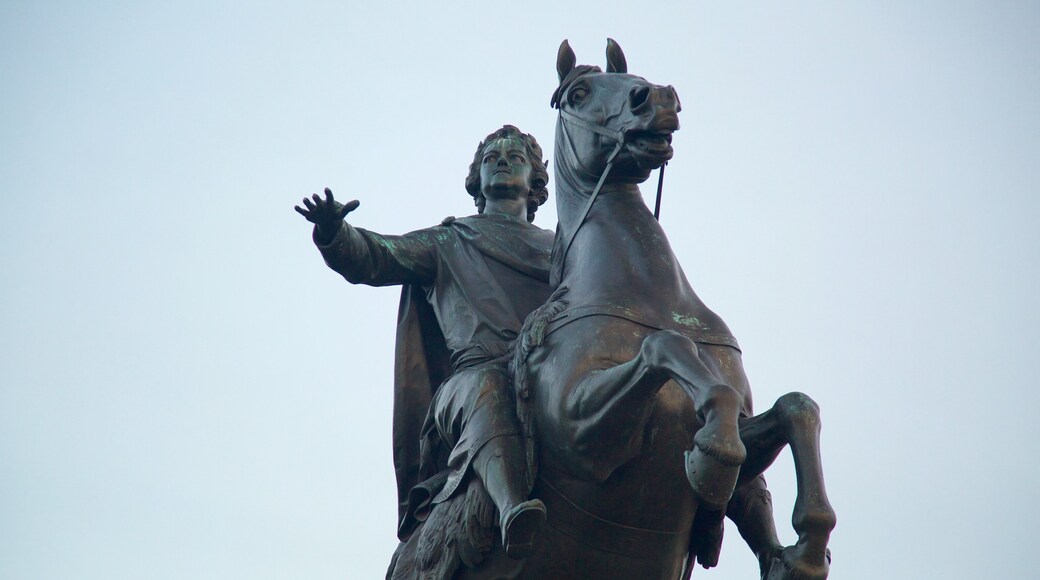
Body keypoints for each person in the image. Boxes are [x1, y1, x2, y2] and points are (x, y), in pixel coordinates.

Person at [295, 126, 554, 559]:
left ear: (535, 181)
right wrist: (335, 231)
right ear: (476, 180)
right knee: (488, 388)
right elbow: (377, 256)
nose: (502, 162)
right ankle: (512, 508)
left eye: (515, 157)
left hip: (546, 371)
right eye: (491, 158)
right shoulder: (449, 240)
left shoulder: (563, 248)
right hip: (473, 378)